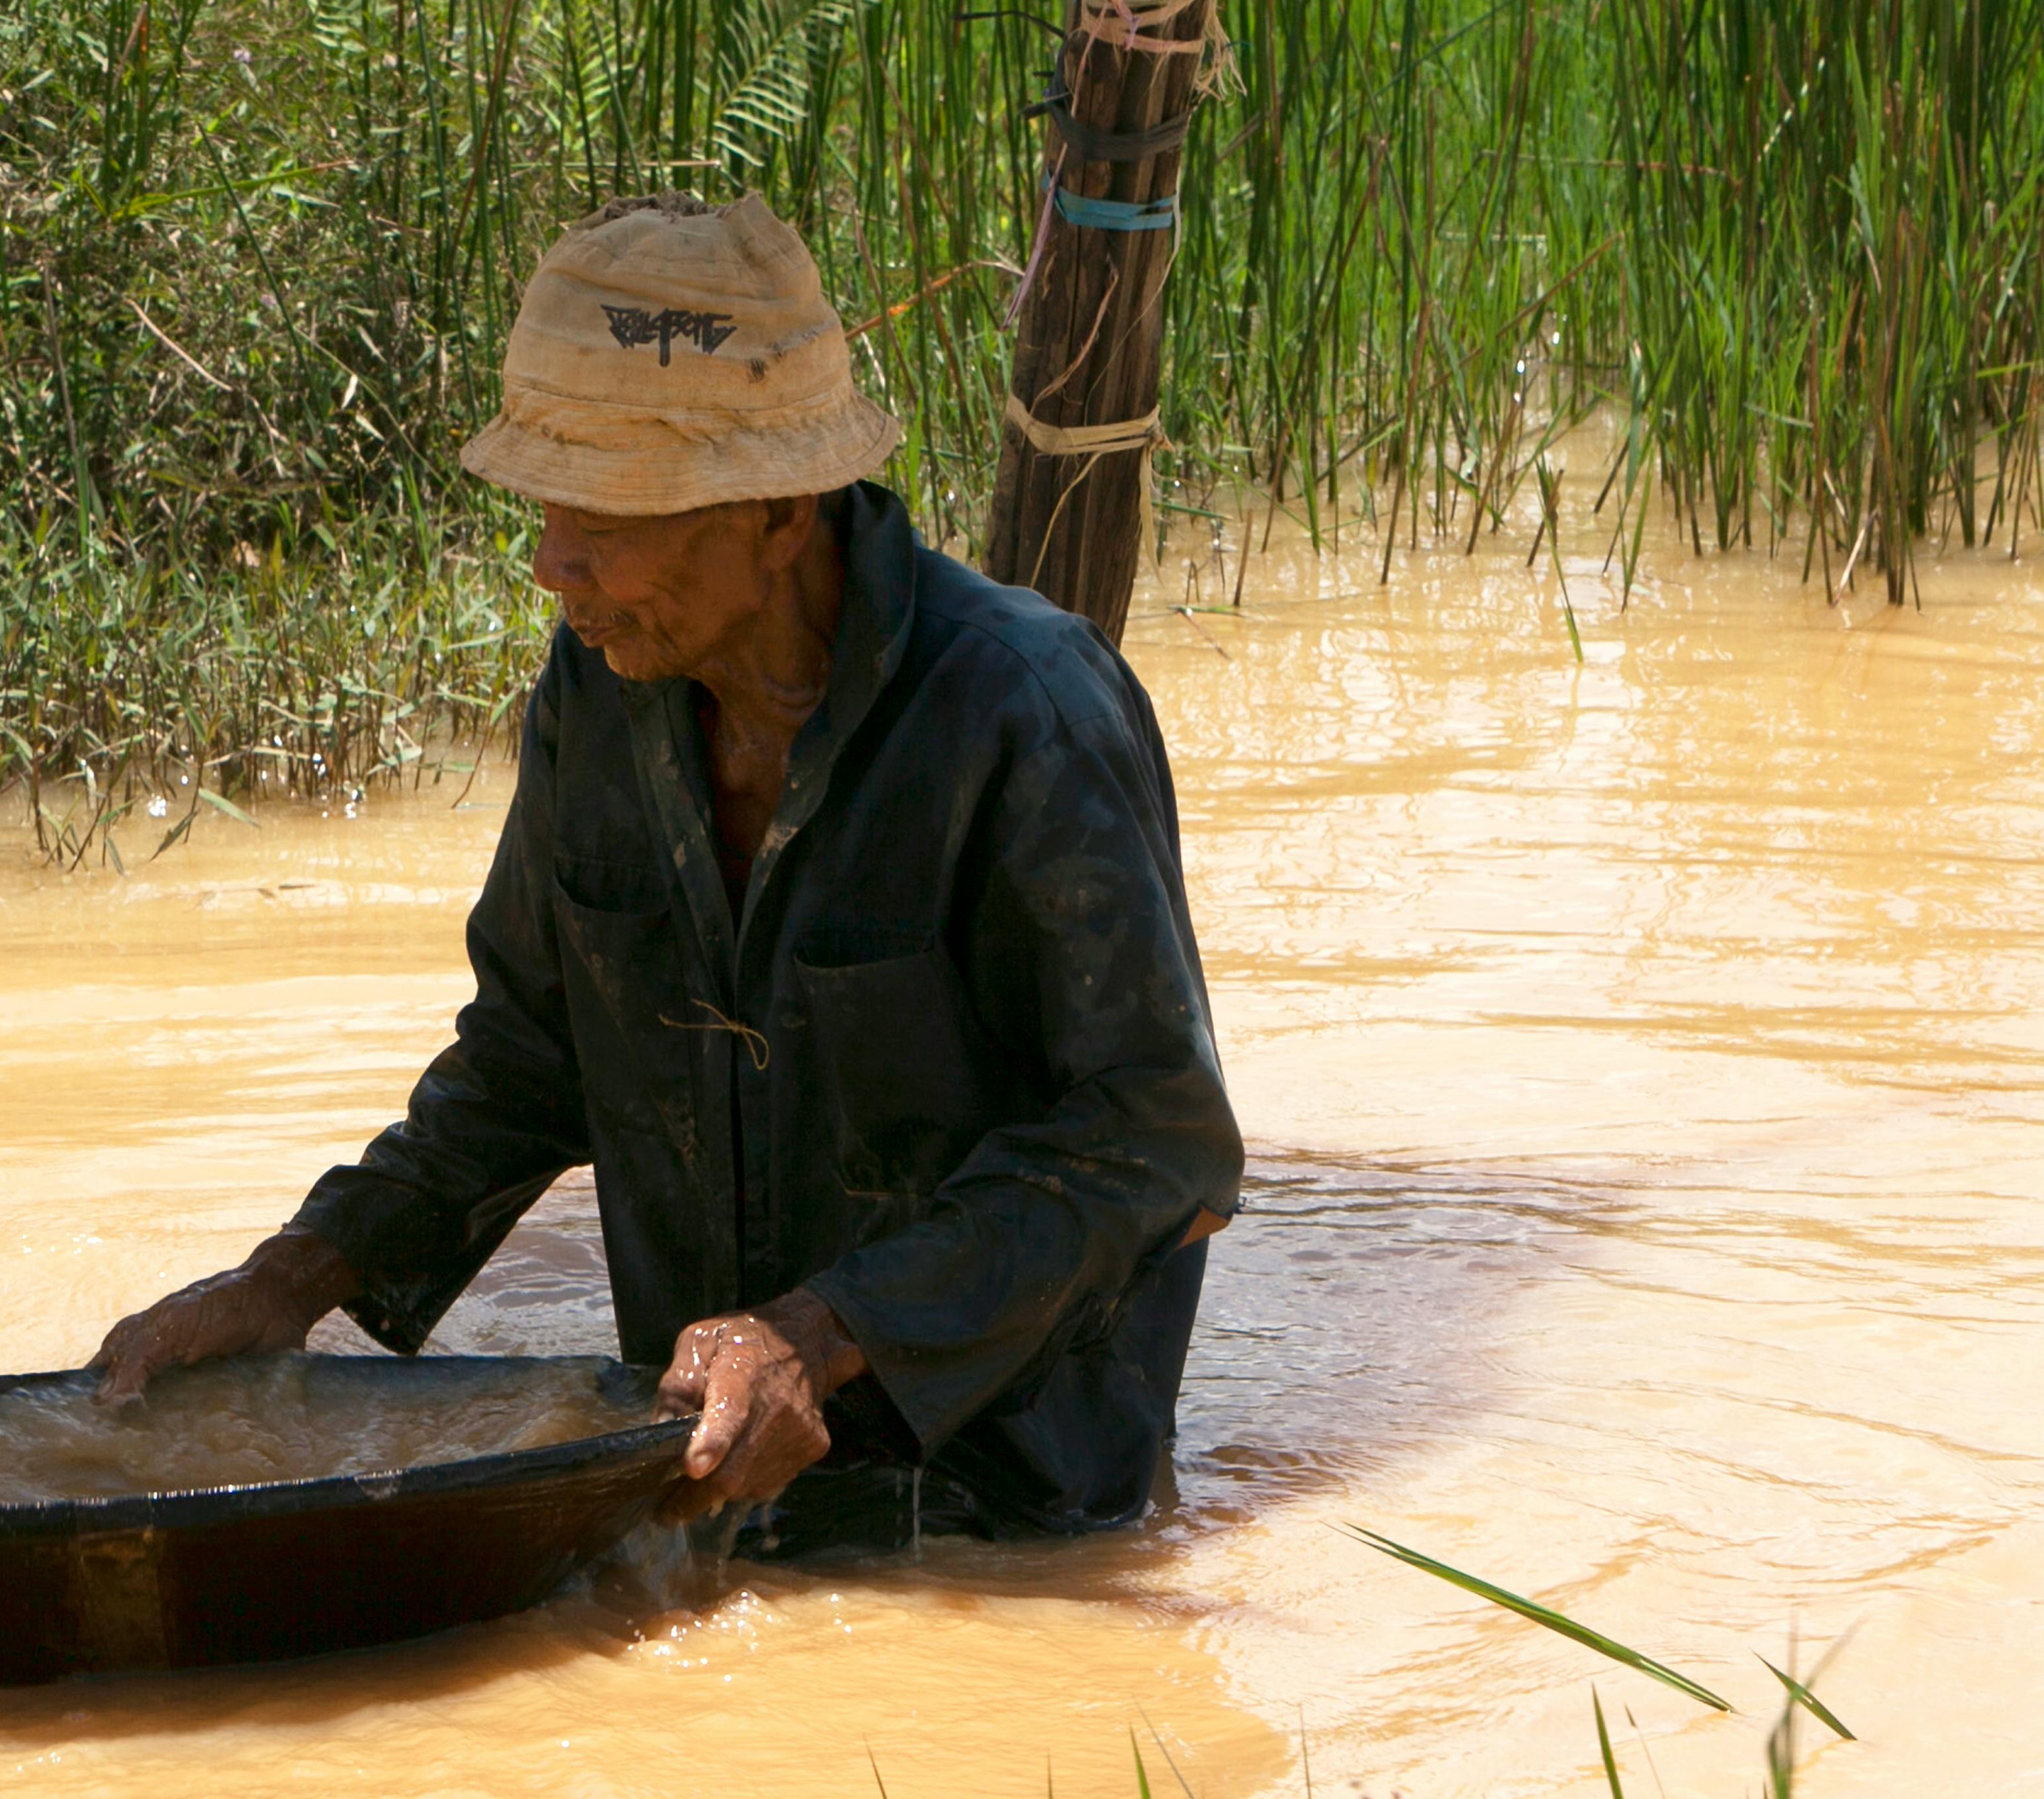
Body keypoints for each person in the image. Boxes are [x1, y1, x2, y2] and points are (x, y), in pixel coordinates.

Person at [91, 195, 1240, 1547]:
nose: (550, 564)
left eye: (609, 515)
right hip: (698, 1484)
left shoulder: (1021, 711)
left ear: (776, 514)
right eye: (544, 504)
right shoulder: (599, 694)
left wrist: (825, 1334)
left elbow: (1157, 1138)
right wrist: (296, 1276)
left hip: (1011, 1513)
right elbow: (529, 1057)